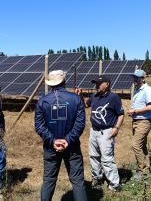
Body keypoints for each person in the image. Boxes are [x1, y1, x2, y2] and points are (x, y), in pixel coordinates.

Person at [35, 70, 87, 201]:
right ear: (65, 81)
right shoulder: (76, 99)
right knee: (77, 181)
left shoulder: (42, 101)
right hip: (73, 147)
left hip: (50, 148)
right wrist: (67, 141)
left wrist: (53, 141)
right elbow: (80, 124)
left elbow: (39, 126)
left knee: (48, 180)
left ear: (50, 84)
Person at [76, 76, 124, 191]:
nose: (96, 85)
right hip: (94, 131)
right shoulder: (94, 96)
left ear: (107, 84)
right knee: (93, 156)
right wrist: (80, 95)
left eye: (99, 83)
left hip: (106, 132)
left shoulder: (114, 97)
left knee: (107, 159)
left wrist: (116, 128)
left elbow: (121, 114)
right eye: (95, 83)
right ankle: (97, 178)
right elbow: (85, 105)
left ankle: (114, 185)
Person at [127, 69, 151, 181]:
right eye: (134, 77)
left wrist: (135, 111)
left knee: (135, 145)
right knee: (142, 146)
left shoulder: (147, 90)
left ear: (143, 78)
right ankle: (146, 168)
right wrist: (133, 111)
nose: (135, 80)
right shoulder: (138, 90)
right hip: (137, 121)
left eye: (137, 78)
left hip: (144, 121)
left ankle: (143, 171)